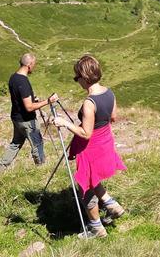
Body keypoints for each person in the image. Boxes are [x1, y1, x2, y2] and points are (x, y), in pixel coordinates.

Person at [54, 54, 126, 238]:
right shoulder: (109, 93)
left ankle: (97, 228)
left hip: (90, 149)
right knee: (94, 180)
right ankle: (112, 205)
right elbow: (113, 118)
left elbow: (86, 133)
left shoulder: (89, 103)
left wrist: (65, 123)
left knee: (85, 187)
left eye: (77, 77)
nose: (76, 81)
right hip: (105, 142)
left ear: (85, 77)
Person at [0, 53, 57, 172]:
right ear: (29, 65)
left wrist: (33, 100)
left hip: (16, 118)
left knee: (15, 144)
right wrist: (48, 101)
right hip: (27, 120)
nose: (34, 67)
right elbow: (29, 107)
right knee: (37, 143)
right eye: (34, 65)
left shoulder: (13, 77)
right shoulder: (23, 82)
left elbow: (20, 98)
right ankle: (41, 169)